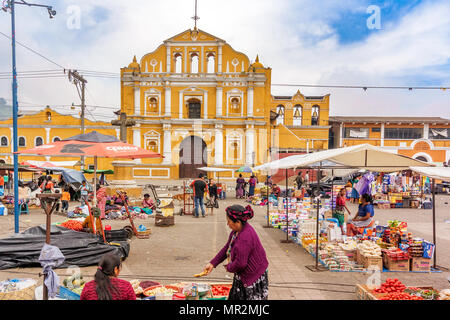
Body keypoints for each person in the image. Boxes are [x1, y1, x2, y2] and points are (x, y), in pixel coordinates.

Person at [203, 204, 269, 300]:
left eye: (229, 221)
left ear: (237, 222)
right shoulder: (237, 231)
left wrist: (228, 267)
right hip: (245, 274)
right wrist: (213, 263)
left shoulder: (244, 238)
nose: (227, 224)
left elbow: (241, 264)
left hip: (253, 275)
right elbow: (227, 247)